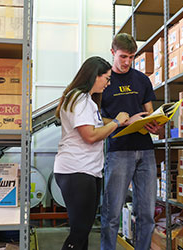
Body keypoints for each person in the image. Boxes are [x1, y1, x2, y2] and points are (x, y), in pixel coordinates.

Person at [54, 56, 129, 250]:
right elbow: (90, 135)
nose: (108, 83)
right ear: (94, 76)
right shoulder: (79, 98)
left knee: (82, 230)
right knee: (79, 232)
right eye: (107, 78)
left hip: (86, 170)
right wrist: (117, 122)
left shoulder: (85, 99)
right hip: (76, 170)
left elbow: (94, 122)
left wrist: (125, 121)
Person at [100, 33, 163, 250]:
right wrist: (124, 122)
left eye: (131, 57)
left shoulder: (142, 80)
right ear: (112, 53)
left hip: (146, 151)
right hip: (118, 152)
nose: (127, 61)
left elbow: (150, 113)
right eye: (123, 56)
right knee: (111, 213)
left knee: (146, 213)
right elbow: (97, 120)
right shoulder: (104, 82)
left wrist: (156, 125)